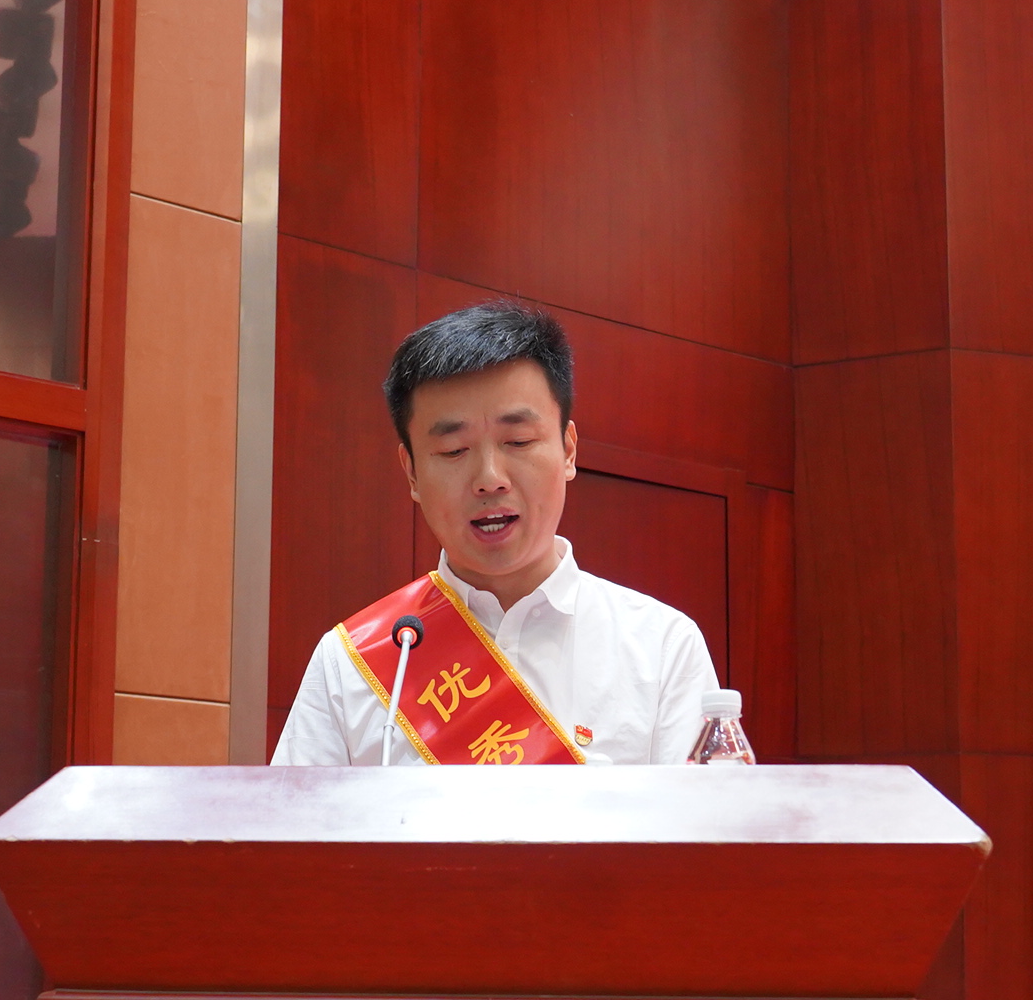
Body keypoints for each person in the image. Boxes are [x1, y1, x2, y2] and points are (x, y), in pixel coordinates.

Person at [272, 300, 717, 767]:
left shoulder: (661, 648)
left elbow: (697, 815)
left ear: (568, 450)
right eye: (453, 450)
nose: (489, 479)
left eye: (518, 442)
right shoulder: (354, 664)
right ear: (412, 473)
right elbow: (295, 816)